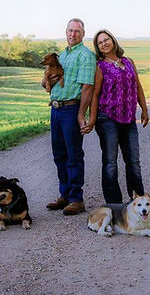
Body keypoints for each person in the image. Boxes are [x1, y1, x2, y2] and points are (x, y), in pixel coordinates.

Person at [81, 29, 149, 203]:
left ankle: (138, 200)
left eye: (106, 39)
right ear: (98, 47)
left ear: (113, 40)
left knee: (133, 160)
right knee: (110, 162)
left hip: (128, 118)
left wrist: (144, 109)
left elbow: (138, 87)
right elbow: (94, 95)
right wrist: (93, 119)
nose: (104, 43)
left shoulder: (128, 62)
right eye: (100, 42)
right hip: (107, 118)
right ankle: (114, 204)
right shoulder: (100, 66)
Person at [45, 18, 96, 215]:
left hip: (71, 110)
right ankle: (64, 195)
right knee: (59, 154)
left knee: (73, 154)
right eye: (70, 30)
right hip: (56, 109)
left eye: (77, 31)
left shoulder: (85, 55)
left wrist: (82, 114)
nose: (72, 34)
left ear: (83, 34)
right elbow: (51, 79)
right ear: (65, 32)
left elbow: (87, 87)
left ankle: (76, 198)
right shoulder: (62, 55)